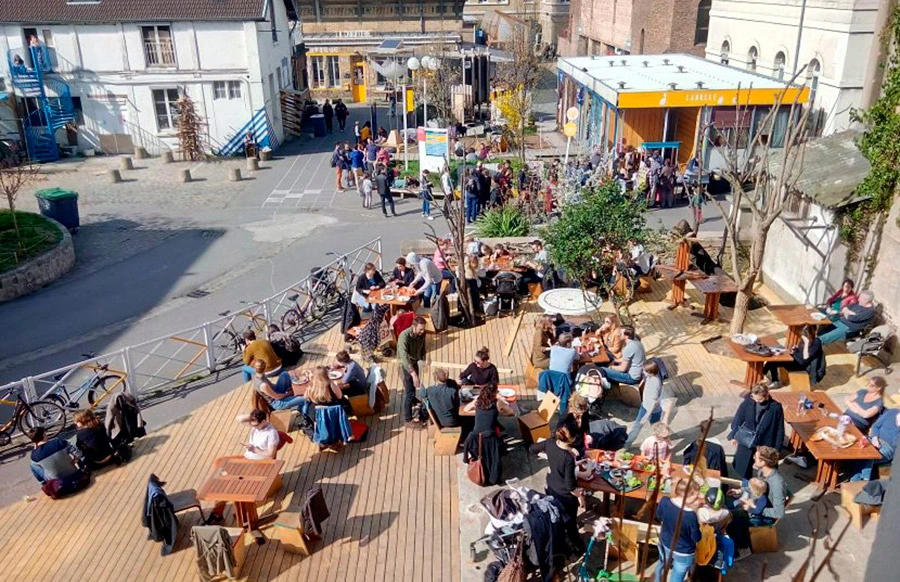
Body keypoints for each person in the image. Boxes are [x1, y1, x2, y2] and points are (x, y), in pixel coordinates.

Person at [529, 425, 587, 556]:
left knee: (556, 516)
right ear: (571, 439)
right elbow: (570, 486)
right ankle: (577, 547)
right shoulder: (568, 459)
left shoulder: (550, 443)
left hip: (550, 488)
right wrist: (580, 495)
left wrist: (548, 458)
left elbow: (532, 448)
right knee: (570, 522)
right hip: (565, 495)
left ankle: (561, 537)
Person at [728, 383, 785, 480]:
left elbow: (779, 429)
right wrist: (734, 435)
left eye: (760, 399)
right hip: (747, 438)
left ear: (766, 395)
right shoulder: (748, 402)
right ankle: (746, 486)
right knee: (743, 466)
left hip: (766, 440)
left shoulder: (775, 407)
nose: (757, 401)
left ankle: (763, 487)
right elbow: (739, 418)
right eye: (755, 398)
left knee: (766, 468)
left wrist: (777, 449)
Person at [655, 480, 703, 582]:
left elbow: (659, 516)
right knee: (677, 576)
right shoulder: (691, 516)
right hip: (683, 551)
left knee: (661, 566)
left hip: (665, 543)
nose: (697, 499)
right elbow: (696, 538)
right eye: (695, 496)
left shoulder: (664, 501)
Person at [624, 360, 670, 447]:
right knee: (656, 427)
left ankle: (626, 445)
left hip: (649, 409)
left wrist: (646, 415)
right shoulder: (652, 377)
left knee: (637, 427)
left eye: (644, 370)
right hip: (649, 407)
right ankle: (661, 441)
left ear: (650, 372)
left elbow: (654, 403)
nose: (642, 372)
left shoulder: (655, 384)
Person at [849, 406, 899, 481]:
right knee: (858, 448)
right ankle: (857, 482)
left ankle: (861, 480)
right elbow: (876, 426)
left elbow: (896, 445)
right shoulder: (892, 412)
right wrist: (875, 438)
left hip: (889, 448)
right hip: (873, 439)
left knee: (869, 455)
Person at [398, 317, 427, 429]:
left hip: (414, 362)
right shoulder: (403, 336)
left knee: (414, 386)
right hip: (404, 365)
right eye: (420, 329)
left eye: (423, 329)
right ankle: (408, 420)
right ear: (413, 327)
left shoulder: (421, 334)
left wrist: (423, 360)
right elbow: (404, 357)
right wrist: (413, 373)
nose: (422, 331)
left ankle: (414, 400)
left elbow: (423, 348)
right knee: (409, 392)